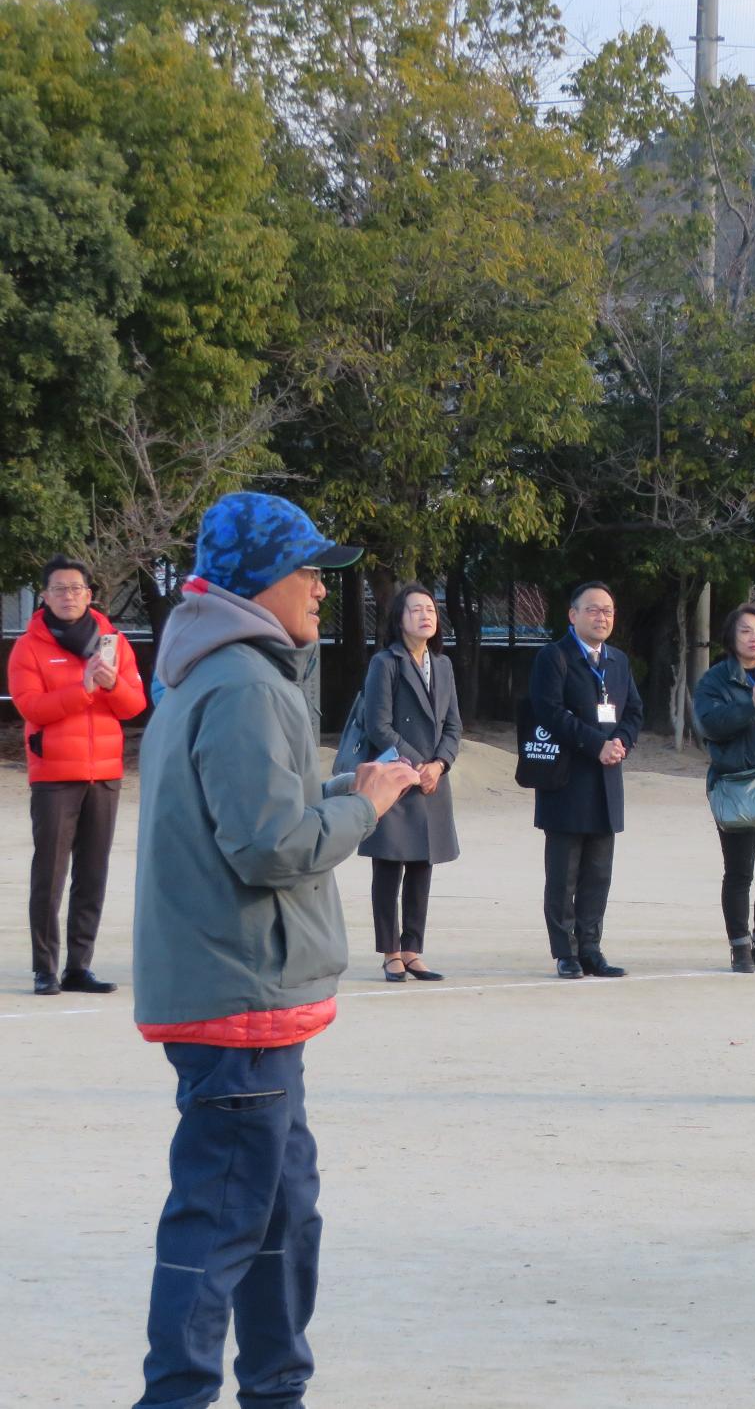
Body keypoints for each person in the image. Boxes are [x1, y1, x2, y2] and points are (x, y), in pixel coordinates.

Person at [130, 491, 419, 1409]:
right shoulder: (246, 679)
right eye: (308, 572)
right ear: (260, 581)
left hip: (244, 991)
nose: (321, 590)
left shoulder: (211, 667)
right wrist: (363, 808)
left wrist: (348, 785)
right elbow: (266, 845)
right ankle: (178, 1397)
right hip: (239, 995)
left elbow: (262, 805)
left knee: (282, 1215)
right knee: (223, 1219)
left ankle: (276, 1387)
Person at [9, 555, 146, 995]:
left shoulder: (113, 642)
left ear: (90, 594)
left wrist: (110, 685)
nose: (69, 596)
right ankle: (44, 968)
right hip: (53, 775)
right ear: (44, 596)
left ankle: (79, 966)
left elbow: (134, 706)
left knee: (93, 873)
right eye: (59, 589)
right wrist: (82, 690)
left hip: (104, 774)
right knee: (48, 872)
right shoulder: (29, 647)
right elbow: (32, 708)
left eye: (76, 589)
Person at [529, 581, 644, 980]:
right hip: (567, 780)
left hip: (607, 780)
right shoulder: (554, 657)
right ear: (572, 615)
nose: (602, 617)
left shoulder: (618, 661)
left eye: (609, 610)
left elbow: (633, 710)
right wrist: (596, 744)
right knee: (564, 875)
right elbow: (550, 712)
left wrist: (620, 744)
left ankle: (592, 948)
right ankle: (566, 952)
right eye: (593, 609)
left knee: (599, 873)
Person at [359, 583, 462, 982]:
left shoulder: (445, 665)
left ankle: (413, 949)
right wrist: (418, 766)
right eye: (416, 609)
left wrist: (440, 764)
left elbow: (453, 724)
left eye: (431, 609)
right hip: (395, 777)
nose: (425, 615)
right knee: (389, 867)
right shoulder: (386, 663)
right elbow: (378, 725)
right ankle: (390, 952)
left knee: (423, 864)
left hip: (432, 779)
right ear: (399, 619)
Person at [694, 603, 755, 974]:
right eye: (746, 631)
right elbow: (710, 725)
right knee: (738, 871)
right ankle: (740, 948)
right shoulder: (716, 680)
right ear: (731, 639)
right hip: (736, 785)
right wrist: (749, 707)